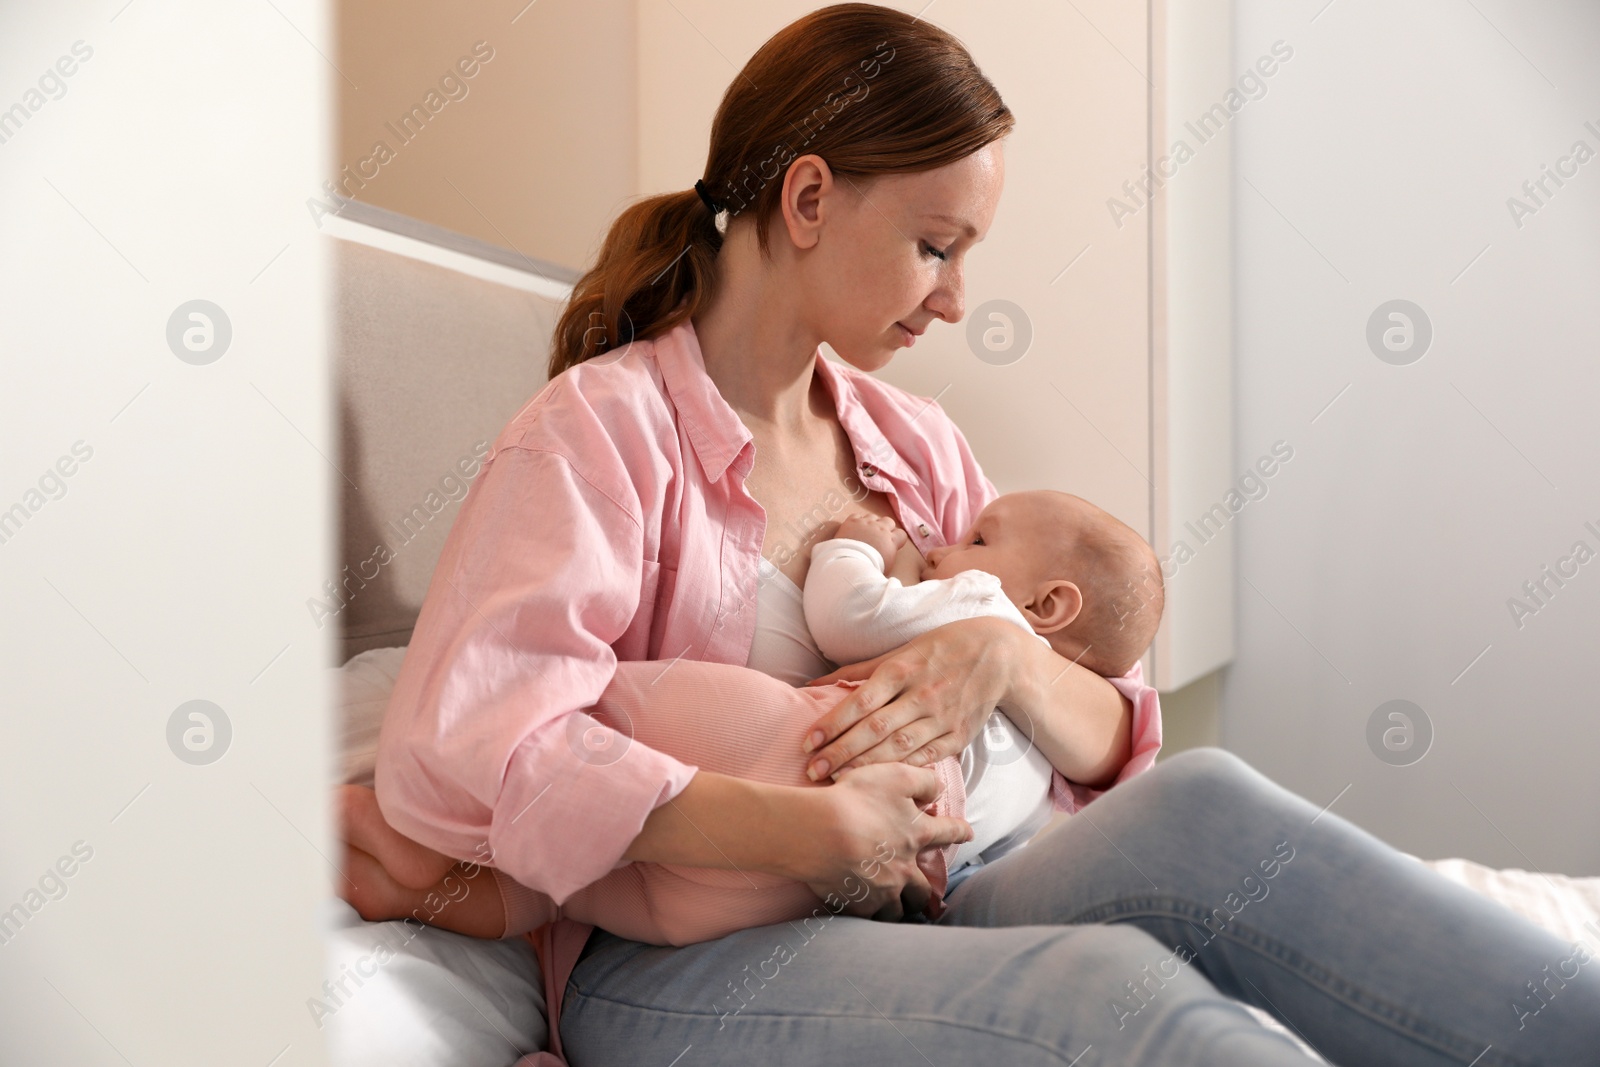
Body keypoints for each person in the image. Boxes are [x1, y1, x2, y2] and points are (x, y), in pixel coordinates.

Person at [339, 5, 1600, 1064]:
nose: (955, 297)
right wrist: (797, 829)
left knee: (1205, 802)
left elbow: (1112, 733)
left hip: (941, 879)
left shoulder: (913, 445)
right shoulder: (598, 437)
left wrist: (1005, 660)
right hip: (677, 955)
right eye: (935, 247)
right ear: (811, 196)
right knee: (1122, 999)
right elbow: (472, 747)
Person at [339, 490, 1165, 946]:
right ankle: (400, 869)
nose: (948, 541)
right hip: (794, 901)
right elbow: (1118, 745)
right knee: (567, 897)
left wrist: (860, 546)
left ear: (1047, 605)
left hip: (800, 752)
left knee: (589, 707)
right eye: (936, 248)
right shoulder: (1041, 767)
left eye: (978, 535)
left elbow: (847, 616)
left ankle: (390, 818)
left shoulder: (984, 603)